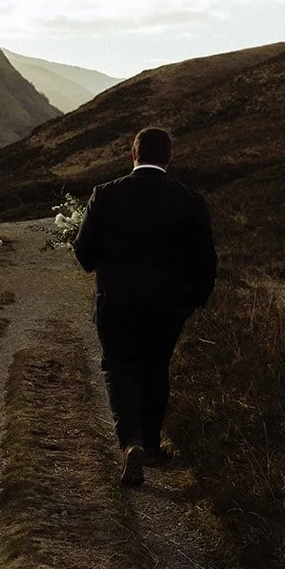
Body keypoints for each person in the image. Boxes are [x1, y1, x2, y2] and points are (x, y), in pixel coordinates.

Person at [73, 127, 216, 486]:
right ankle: (151, 444)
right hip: (167, 307)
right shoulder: (191, 201)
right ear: (169, 158)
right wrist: (191, 302)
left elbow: (84, 253)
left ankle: (129, 443)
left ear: (133, 154)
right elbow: (206, 262)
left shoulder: (105, 195)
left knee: (118, 369)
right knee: (155, 369)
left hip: (115, 303)